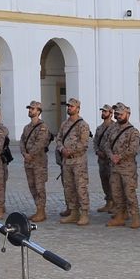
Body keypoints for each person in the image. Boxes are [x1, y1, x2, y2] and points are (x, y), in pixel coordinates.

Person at [56, 96, 91, 225]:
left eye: (72, 106)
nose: (69, 108)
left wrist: (70, 151)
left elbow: (84, 143)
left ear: (78, 108)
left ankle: (84, 213)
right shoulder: (64, 124)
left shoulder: (83, 125)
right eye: (68, 106)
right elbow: (58, 138)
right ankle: (73, 212)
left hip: (78, 161)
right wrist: (61, 149)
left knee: (81, 187)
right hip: (66, 162)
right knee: (69, 188)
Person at [106, 103, 140, 227]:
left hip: (127, 168)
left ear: (128, 114)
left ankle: (135, 217)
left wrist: (119, 156)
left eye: (121, 114)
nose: (118, 116)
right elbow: (106, 144)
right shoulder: (113, 129)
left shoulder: (133, 131)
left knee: (129, 193)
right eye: (117, 114)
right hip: (114, 167)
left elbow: (133, 149)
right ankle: (120, 215)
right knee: (116, 193)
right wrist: (111, 156)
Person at [94, 104, 117, 216]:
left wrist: (109, 154)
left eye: (105, 112)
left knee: (112, 181)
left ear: (111, 113)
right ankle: (108, 201)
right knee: (104, 181)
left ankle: (115, 203)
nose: (103, 113)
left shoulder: (114, 127)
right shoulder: (99, 128)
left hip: (110, 160)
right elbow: (95, 142)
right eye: (102, 111)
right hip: (101, 160)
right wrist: (97, 151)